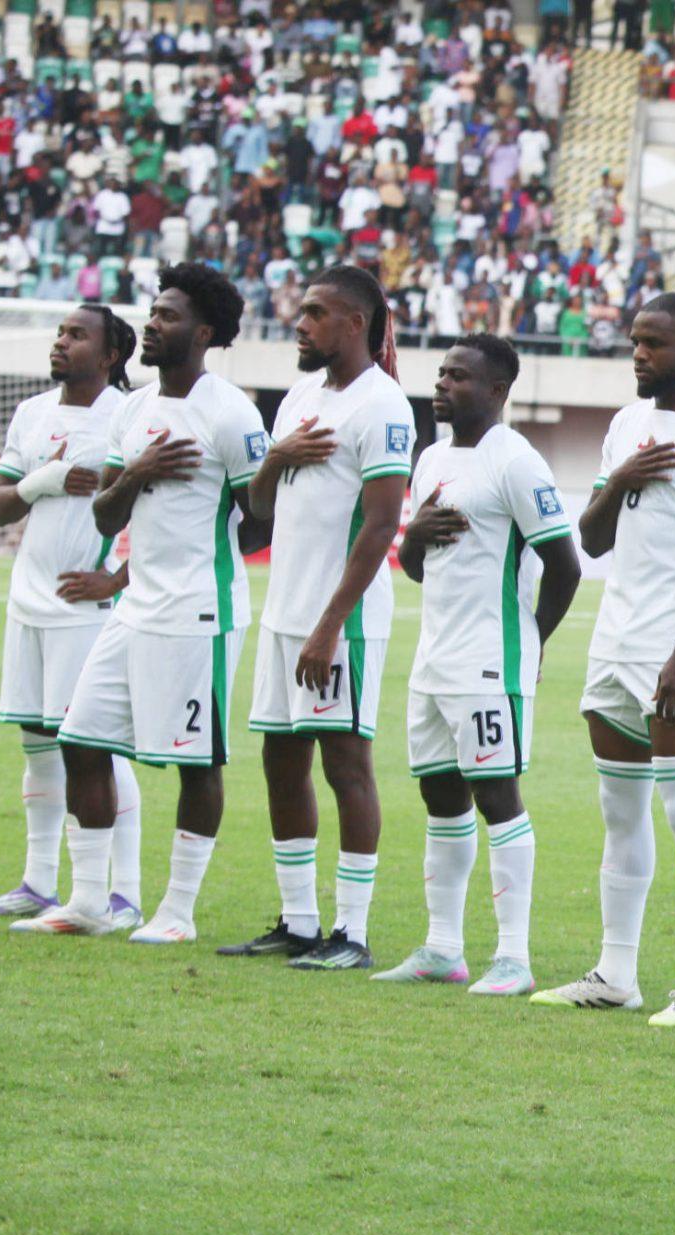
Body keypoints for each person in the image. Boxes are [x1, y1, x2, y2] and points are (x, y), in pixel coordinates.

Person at [533, 294, 675, 1024]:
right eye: (634, 341)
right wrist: (623, 477)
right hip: (614, 640)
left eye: (653, 343)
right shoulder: (627, 426)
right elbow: (591, 539)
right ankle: (616, 972)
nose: (638, 354)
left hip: (674, 645)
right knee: (618, 810)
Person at [34, 264, 268, 945]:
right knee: (80, 740)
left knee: (197, 762)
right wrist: (135, 475)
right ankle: (88, 901)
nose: (151, 324)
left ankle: (178, 911)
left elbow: (260, 518)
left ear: (202, 332)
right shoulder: (133, 408)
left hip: (200, 613)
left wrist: (210, 544)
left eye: (165, 316)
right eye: (152, 311)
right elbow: (107, 518)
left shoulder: (231, 412)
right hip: (135, 609)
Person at [375, 334, 582, 995]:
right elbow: (412, 565)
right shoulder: (431, 458)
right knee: (441, 798)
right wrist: (414, 536)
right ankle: (442, 947)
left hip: (491, 662)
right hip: (434, 659)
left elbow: (565, 564)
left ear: (496, 391)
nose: (442, 385)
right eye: (440, 373)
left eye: (459, 377)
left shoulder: (515, 463)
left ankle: (514, 958)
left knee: (498, 798)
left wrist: (533, 643)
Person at [226, 264, 416, 972]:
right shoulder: (301, 395)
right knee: (280, 760)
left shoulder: (383, 406)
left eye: (313, 313)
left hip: (342, 622)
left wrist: (331, 623)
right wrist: (275, 456)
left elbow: (381, 526)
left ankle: (353, 931)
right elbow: (262, 507)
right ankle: (300, 921)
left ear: (354, 323)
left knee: (345, 763)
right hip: (283, 611)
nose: (299, 324)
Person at [0, 307, 141, 931]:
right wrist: (42, 480)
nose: (61, 342)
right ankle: (38, 882)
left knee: (94, 748)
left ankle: (122, 894)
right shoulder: (33, 413)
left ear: (109, 355)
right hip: (29, 599)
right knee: (37, 745)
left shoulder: (126, 415)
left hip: (85, 608)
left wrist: (118, 579)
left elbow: (160, 511)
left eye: (77, 336)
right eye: (61, 333)